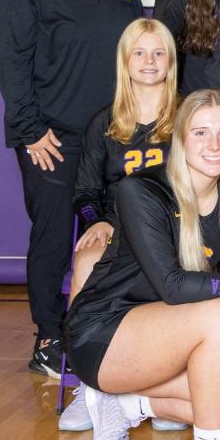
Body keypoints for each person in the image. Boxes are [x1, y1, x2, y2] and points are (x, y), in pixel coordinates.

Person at [64, 89, 220, 440]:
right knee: (218, 313)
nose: (214, 145)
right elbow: (173, 285)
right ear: (180, 138)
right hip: (103, 334)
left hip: (163, 337)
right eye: (201, 133)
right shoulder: (141, 191)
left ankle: (127, 406)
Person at [0, 0, 144, 377]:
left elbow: (138, 53)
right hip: (53, 137)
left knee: (128, 229)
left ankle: (114, 328)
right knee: (56, 236)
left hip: (115, 136)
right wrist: (30, 129)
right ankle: (48, 338)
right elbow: (11, 60)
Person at [69, 19, 179, 306]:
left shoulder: (190, 117)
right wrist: (99, 222)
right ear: (125, 60)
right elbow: (85, 192)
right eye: (139, 53)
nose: (149, 61)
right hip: (118, 230)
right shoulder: (103, 123)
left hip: (174, 229)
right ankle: (82, 346)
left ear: (171, 61)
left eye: (158, 53)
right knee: (86, 261)